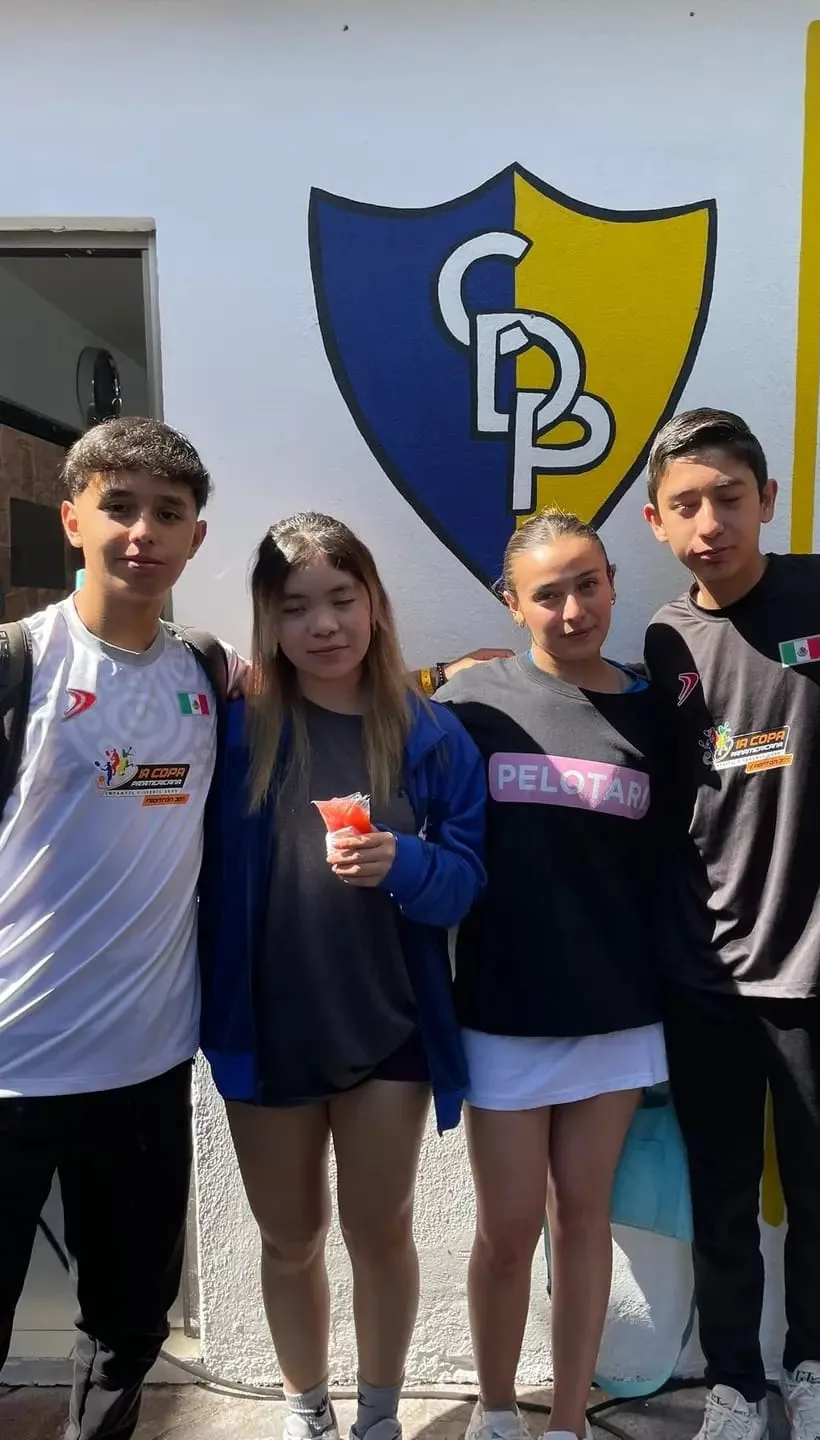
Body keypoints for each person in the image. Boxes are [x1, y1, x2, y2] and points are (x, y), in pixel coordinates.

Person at [641, 409, 820, 1440]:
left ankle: (814, 1371)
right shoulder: (665, 638)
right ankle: (734, 1384)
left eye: (728, 497)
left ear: (767, 499)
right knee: (722, 1196)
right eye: (685, 505)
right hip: (703, 975)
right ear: (656, 522)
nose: (709, 522)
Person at [198, 512, 487, 1440]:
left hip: (390, 1028)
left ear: (374, 604)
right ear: (268, 621)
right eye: (295, 608)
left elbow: (465, 886)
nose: (323, 625)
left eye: (341, 599)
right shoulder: (233, 731)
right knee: (290, 1241)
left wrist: (405, 861)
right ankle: (306, 1410)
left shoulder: (432, 736)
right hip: (267, 1031)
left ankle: (379, 1417)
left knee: (380, 1232)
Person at [0, 417, 243, 1440]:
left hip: (144, 1069)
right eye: (119, 507)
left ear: (196, 537)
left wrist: (443, 681)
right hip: (12, 1064)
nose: (143, 532)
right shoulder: (20, 661)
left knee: (128, 1331)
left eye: (167, 513)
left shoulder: (207, 670)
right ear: (73, 520)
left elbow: (330, 685)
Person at [436, 510, 668, 1440]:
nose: (573, 610)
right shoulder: (470, 700)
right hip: (502, 1011)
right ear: (511, 603)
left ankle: (568, 1420)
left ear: (612, 581)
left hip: (616, 1008)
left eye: (587, 585)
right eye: (547, 594)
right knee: (507, 1231)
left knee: (584, 1221)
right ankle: (497, 1411)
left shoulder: (656, 710)